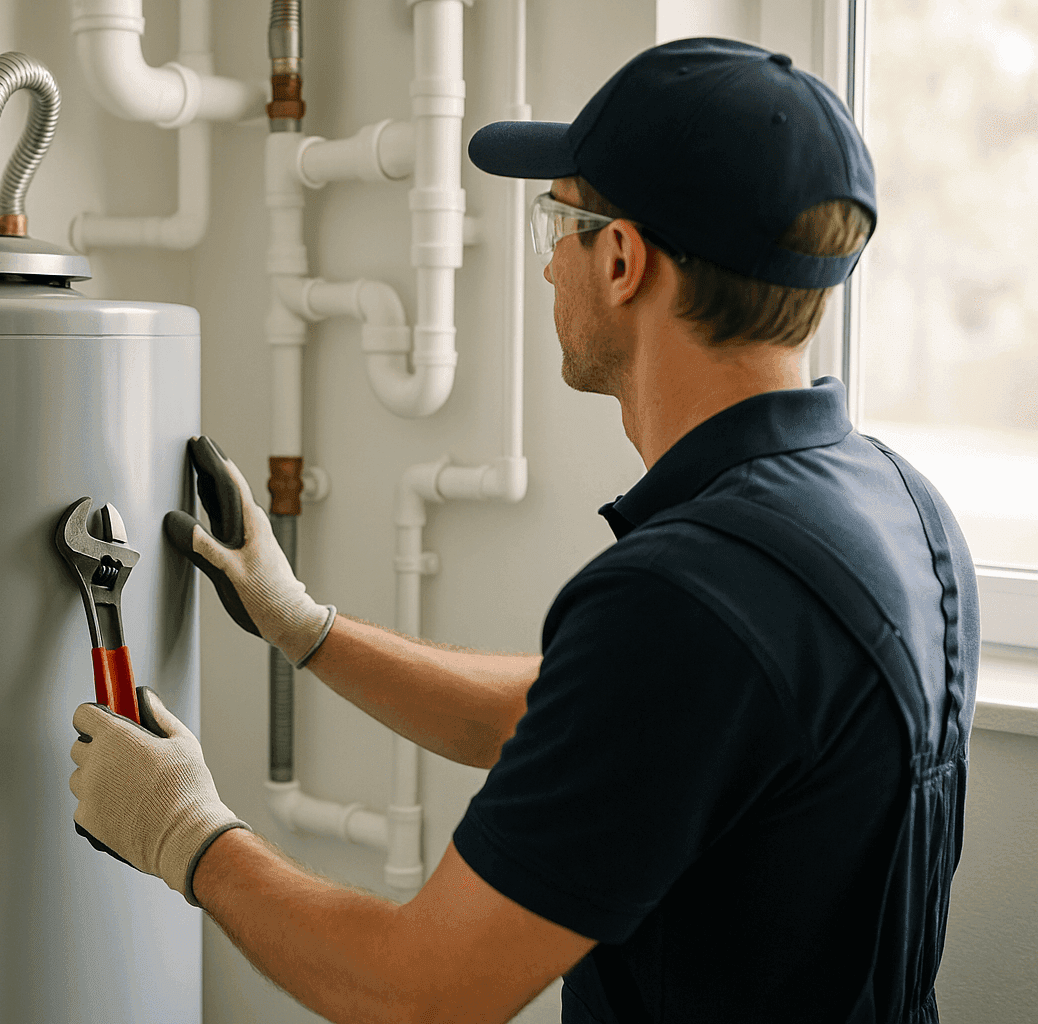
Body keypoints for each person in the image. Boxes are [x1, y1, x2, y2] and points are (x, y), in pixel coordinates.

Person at [69, 37, 977, 1024]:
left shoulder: (690, 597)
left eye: (561, 222)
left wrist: (186, 834)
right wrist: (306, 627)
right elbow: (584, 718)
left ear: (623, 259)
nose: (548, 262)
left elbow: (418, 987)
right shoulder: (901, 509)